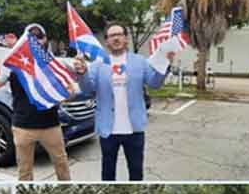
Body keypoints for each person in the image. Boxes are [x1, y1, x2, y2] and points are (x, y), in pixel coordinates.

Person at [73, 23, 176, 181]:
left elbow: (154, 83)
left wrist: (166, 64)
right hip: (108, 130)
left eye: (119, 34)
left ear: (126, 38)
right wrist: (82, 74)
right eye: (111, 35)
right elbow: (88, 89)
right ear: (106, 41)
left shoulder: (140, 61)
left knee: (136, 172)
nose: (116, 38)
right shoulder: (98, 64)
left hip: (134, 129)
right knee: (108, 174)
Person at [0, 23, 72, 180]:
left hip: (51, 125)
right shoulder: (13, 64)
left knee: (62, 165)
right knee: (24, 171)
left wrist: (65, 94)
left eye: (39, 37)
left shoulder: (52, 63)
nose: (36, 41)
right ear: (24, 40)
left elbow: (70, 93)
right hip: (23, 126)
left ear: (46, 39)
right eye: (31, 37)